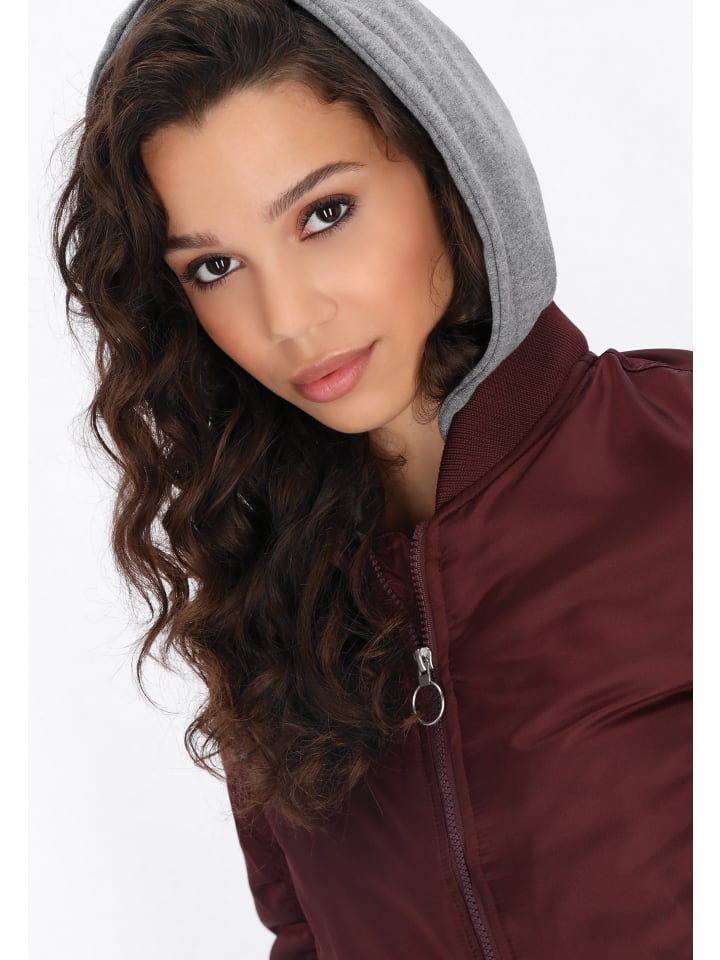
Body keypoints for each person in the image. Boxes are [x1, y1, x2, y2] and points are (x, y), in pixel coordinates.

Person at [53, 0, 692, 956]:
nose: (288, 318)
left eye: (325, 214)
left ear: (448, 169)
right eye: (216, 266)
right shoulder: (267, 596)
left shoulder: (683, 465)